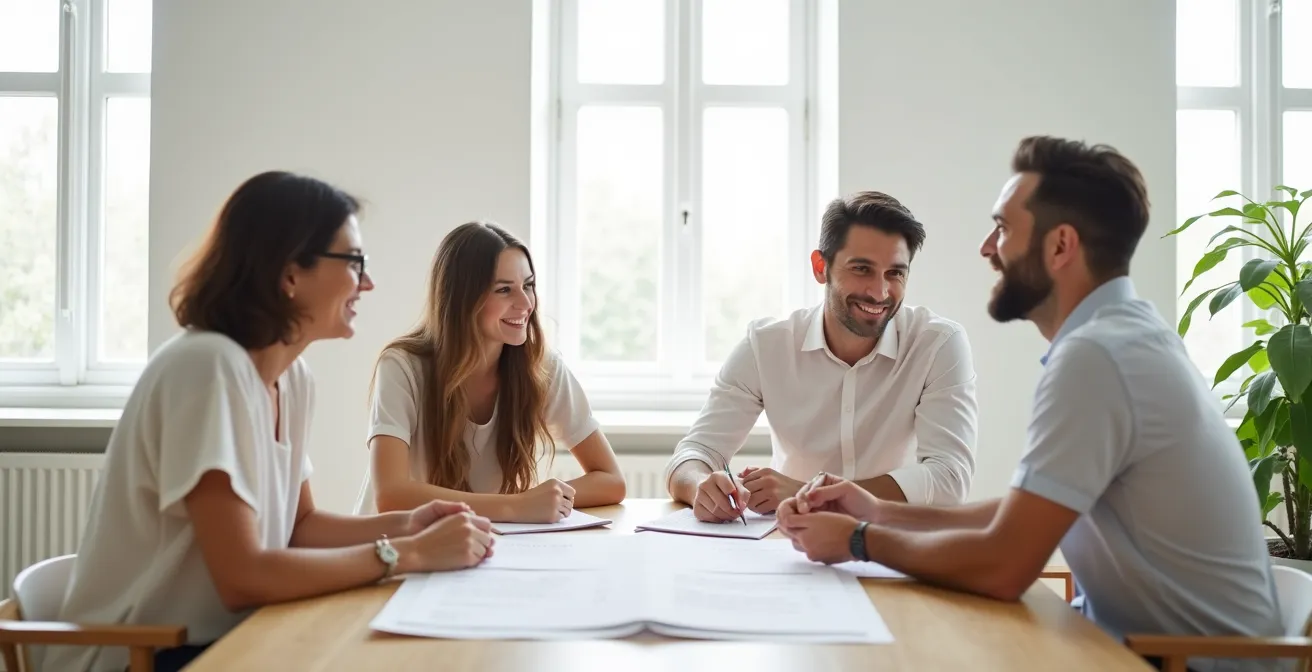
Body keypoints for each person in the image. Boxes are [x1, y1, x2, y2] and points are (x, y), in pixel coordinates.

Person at [778, 136, 1284, 672]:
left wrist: (859, 540)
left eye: (1004, 228)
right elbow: (1025, 516)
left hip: (1181, 664)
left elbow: (1005, 566)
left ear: (1060, 246)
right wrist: (879, 511)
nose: (987, 247)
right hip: (1132, 647)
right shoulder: (1123, 337)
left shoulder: (1098, 357)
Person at [42, 172, 495, 672]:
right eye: (354, 262)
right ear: (289, 274)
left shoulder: (293, 379)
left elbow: (299, 527)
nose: (367, 282)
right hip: (143, 657)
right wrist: (405, 553)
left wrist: (405, 524)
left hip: (220, 642)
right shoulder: (207, 367)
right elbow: (243, 577)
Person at [663, 191, 979, 522]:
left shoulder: (938, 344)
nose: (879, 292)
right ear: (820, 267)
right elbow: (692, 455)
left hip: (892, 541)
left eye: (895, 273)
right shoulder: (767, 345)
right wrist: (703, 487)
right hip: (788, 543)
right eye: (862, 269)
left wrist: (808, 493)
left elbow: (950, 479)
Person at [354, 221, 626, 523]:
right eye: (504, 290)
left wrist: (533, 501)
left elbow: (611, 480)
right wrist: (516, 506)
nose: (525, 304)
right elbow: (391, 496)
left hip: (469, 546)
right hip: (389, 549)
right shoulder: (402, 366)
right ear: (462, 299)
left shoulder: (541, 366)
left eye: (528, 285)